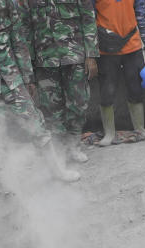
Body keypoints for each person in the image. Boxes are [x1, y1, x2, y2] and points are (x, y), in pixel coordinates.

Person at [0, 0, 79, 181]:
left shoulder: (4, 3)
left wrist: (28, 78)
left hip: (13, 80)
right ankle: (2, 184)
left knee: (36, 125)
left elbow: (18, 42)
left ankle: (58, 172)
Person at [25, 0, 99, 163]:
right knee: (51, 109)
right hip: (44, 61)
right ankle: (60, 149)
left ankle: (74, 146)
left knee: (79, 103)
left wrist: (91, 55)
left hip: (74, 56)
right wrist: (28, 68)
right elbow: (26, 28)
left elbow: (88, 19)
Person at [94, 0, 145, 145]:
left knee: (136, 87)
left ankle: (140, 129)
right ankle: (109, 133)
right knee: (106, 90)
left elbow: (141, 14)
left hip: (132, 44)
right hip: (106, 46)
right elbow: (89, 17)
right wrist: (92, 49)